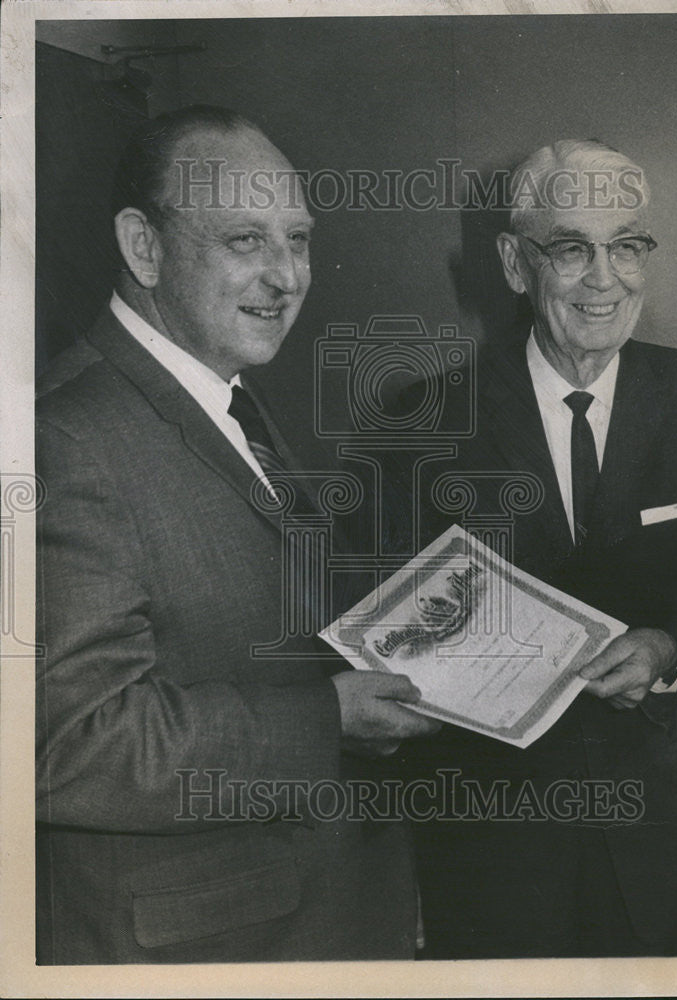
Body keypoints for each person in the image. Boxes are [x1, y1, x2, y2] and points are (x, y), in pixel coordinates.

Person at [35, 104, 438, 964]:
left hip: (307, 917)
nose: (286, 275)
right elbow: (70, 742)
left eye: (297, 239)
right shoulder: (60, 438)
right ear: (143, 247)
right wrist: (327, 718)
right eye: (245, 240)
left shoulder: (225, 392)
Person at [395, 139, 677, 957]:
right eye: (571, 248)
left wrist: (669, 647)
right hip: (492, 846)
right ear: (512, 262)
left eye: (627, 245)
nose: (605, 279)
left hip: (663, 837)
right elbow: (395, 642)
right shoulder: (424, 419)